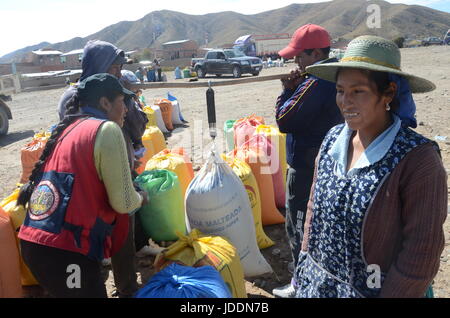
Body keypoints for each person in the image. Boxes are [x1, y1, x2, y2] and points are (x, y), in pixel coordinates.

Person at [294, 35, 447, 298]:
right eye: (340, 91)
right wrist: (304, 264)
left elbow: (421, 252)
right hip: (319, 286)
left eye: (358, 92)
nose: (345, 102)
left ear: (388, 93)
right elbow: (313, 207)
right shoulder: (332, 139)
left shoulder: (417, 160)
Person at [17, 73, 149, 298]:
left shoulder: (70, 128)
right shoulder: (106, 129)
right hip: (66, 254)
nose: (126, 109)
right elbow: (124, 203)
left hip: (37, 246)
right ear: (104, 103)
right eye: (121, 101)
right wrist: (143, 197)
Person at [272, 24, 344, 298]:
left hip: (306, 170)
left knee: (300, 226)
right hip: (327, 164)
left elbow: (284, 120)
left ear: (316, 54)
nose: (295, 61)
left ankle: (301, 284)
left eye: (300, 55)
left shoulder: (315, 82)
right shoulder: (337, 74)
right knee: (319, 227)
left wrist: (286, 89)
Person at [57, 40, 132, 120]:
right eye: (114, 68)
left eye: (120, 68)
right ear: (99, 68)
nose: (119, 75)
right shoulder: (74, 98)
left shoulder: (104, 93)